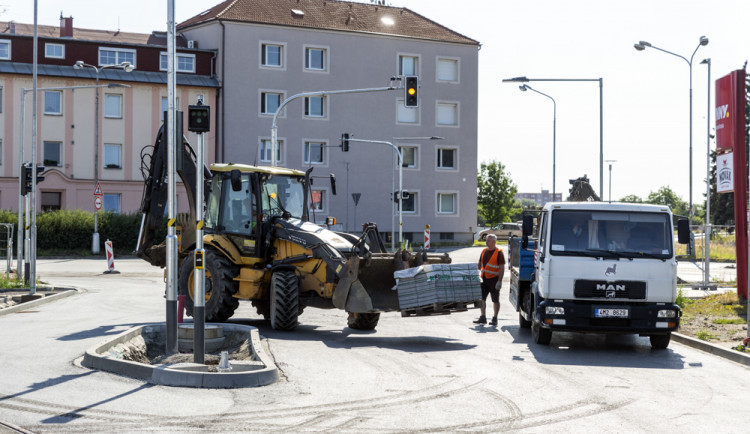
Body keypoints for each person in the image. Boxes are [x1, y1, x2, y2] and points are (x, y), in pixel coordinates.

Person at [474, 233, 505, 326]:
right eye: (486, 240)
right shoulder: (484, 251)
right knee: (481, 298)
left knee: (495, 300)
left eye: (488, 240)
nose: (486, 242)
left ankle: (495, 318)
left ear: (494, 242)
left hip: (494, 279)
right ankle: (483, 317)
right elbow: (479, 264)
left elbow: (502, 268)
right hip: (484, 279)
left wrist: (499, 281)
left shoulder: (499, 252)